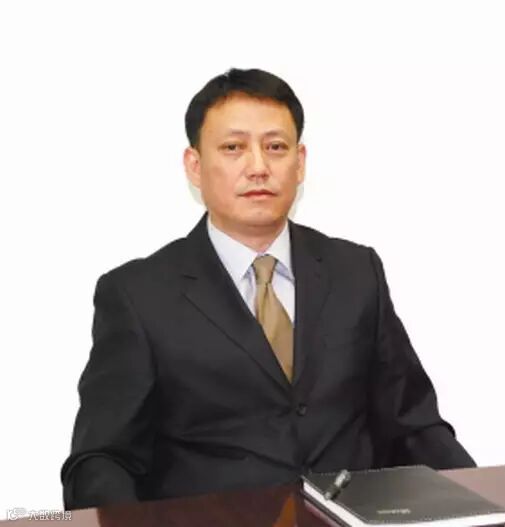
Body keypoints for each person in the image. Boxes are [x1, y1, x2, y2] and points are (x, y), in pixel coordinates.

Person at [61, 68, 475, 511]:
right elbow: (100, 460)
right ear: (194, 166)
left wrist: (486, 502)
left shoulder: (356, 272)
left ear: (300, 162)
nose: (258, 167)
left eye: (275, 147)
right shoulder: (138, 295)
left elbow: (413, 427)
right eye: (233, 148)